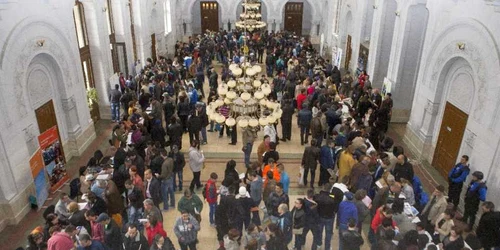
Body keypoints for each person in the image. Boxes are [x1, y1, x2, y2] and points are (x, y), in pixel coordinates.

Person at [314, 184, 337, 250]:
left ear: (323, 188)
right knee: (328, 233)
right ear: (330, 190)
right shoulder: (332, 197)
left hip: (320, 217)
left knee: (319, 231)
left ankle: (319, 244)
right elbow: (335, 207)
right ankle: (327, 247)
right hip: (330, 218)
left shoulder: (318, 196)